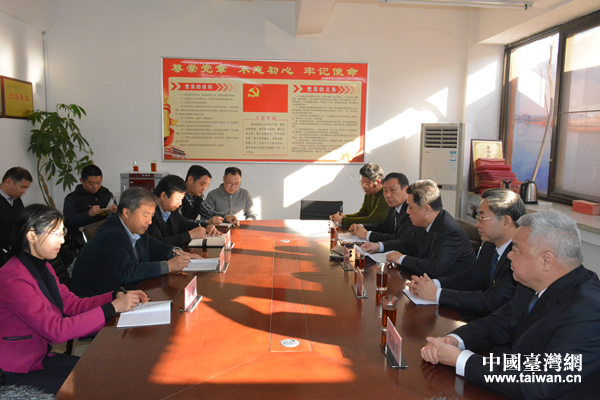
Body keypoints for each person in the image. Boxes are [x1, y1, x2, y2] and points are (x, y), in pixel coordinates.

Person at [421, 210, 600, 400]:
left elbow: (541, 383)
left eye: (516, 250)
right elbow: (497, 323)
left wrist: (460, 360)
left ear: (546, 260)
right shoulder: (530, 284)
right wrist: (453, 340)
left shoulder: (587, 310)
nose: (509, 256)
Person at [0, 204, 147, 395]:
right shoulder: (13, 277)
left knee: (104, 372)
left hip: (39, 357)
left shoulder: (43, 266)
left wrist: (113, 296)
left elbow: (72, 304)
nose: (62, 241)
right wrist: (111, 308)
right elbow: (57, 330)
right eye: (56, 234)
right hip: (17, 369)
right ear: (32, 236)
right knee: (93, 386)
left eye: (63, 233)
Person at [409, 188, 525, 320]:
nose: (477, 224)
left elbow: (490, 301)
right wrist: (432, 284)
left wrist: (436, 294)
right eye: (478, 218)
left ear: (506, 222)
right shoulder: (490, 244)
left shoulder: (520, 256)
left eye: (483, 218)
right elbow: (469, 278)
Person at [71, 187, 199, 297]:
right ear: (127, 212)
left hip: (124, 292)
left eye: (151, 216)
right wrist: (168, 266)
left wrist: (175, 252)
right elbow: (126, 272)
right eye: (145, 215)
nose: (149, 221)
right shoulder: (111, 234)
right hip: (95, 301)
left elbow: (153, 246)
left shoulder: (135, 228)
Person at [362, 179, 474, 278]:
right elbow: (407, 244)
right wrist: (379, 246)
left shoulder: (450, 231)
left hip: (449, 289)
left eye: (410, 207)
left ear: (426, 210)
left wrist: (401, 258)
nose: (407, 212)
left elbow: (434, 268)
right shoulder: (425, 223)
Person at [347, 172, 415, 250]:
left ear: (406, 190)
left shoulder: (411, 211)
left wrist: (367, 235)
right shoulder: (394, 207)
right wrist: (361, 227)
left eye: (392, 190)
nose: (388, 195)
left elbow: (400, 239)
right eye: (385, 190)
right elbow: (383, 228)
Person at [147, 174, 219, 247]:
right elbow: (158, 243)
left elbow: (186, 225)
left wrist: (207, 226)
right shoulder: (149, 214)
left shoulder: (172, 210)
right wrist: (190, 235)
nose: (180, 203)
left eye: (181, 199)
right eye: (178, 199)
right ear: (164, 196)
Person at [63, 165, 117, 250]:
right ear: (82, 180)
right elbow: (68, 221)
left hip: (107, 235)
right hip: (83, 240)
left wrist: (115, 212)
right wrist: (88, 214)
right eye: (91, 184)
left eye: (98, 183)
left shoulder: (107, 194)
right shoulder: (73, 198)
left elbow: (118, 218)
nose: (95, 186)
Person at [330, 163, 389, 227]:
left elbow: (373, 220)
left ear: (378, 182)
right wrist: (345, 216)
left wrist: (343, 220)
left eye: (366, 184)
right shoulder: (369, 194)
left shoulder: (386, 196)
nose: (363, 187)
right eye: (362, 183)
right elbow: (362, 214)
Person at [0, 167, 32, 252]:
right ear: (9, 182)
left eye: (26, 188)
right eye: (22, 187)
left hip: (18, 245)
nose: (23, 191)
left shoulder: (15, 198)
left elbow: (22, 219)